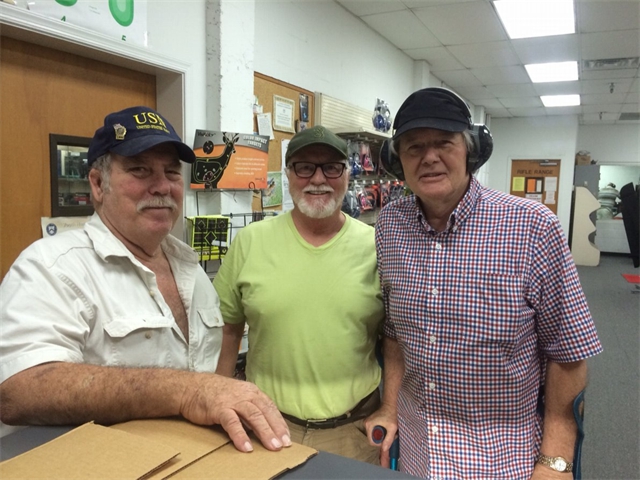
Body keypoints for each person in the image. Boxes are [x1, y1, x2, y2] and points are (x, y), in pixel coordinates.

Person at [0, 106, 290, 454]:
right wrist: (186, 391)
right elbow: (18, 388)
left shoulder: (189, 266)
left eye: (171, 171)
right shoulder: (53, 266)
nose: (162, 186)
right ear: (97, 184)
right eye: (139, 169)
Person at [366, 87, 603, 479]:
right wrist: (390, 407)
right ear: (399, 161)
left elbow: (568, 351)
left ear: (470, 150)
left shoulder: (531, 226)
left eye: (444, 142)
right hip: (416, 453)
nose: (429, 157)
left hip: (500, 459)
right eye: (413, 147)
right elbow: (395, 330)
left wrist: (555, 461)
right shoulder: (390, 225)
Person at [214, 125, 385, 464]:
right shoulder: (251, 242)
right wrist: (217, 396)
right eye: (305, 167)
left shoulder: (376, 247)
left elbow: (395, 338)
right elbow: (228, 328)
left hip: (353, 433)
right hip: (265, 427)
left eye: (331, 167)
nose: (318, 179)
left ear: (348, 175)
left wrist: (392, 406)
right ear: (288, 175)